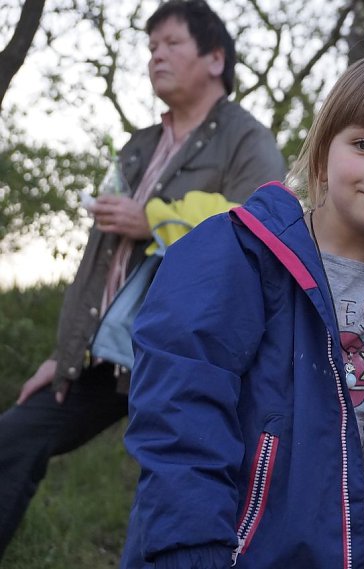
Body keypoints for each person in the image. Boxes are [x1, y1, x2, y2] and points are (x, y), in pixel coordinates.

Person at [120, 53, 364, 568]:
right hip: (227, 547)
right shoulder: (238, 253)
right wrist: (193, 548)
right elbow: (180, 408)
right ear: (323, 153)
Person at [0, 0, 286, 558]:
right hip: (105, 356)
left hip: (188, 354)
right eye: (151, 46)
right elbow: (101, 262)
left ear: (215, 59)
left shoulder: (248, 140)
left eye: (172, 43)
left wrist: (153, 219)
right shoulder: (138, 145)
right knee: (11, 441)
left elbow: (258, 228)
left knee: (166, 500)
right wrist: (66, 353)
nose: (156, 55)